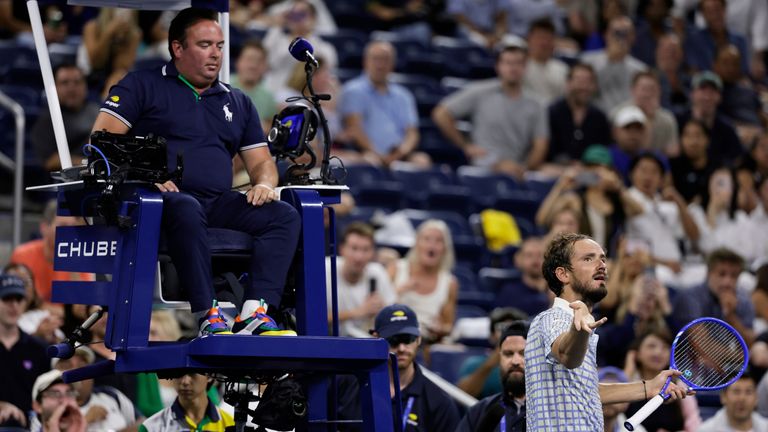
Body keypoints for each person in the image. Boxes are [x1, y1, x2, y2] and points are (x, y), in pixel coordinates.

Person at [90, 7, 301, 336]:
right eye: (205, 45)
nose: (215, 54)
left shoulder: (237, 101)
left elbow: (262, 161)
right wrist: (148, 177)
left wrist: (264, 184)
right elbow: (102, 141)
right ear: (178, 48)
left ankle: (255, 313)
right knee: (185, 205)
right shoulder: (141, 85)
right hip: (158, 202)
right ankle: (208, 314)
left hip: (217, 202)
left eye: (219, 46)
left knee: (283, 215)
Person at [524, 232, 690, 430]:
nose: (601, 264)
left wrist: (648, 387)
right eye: (588, 258)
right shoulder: (554, 318)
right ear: (563, 274)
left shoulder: (582, 325)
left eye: (602, 258)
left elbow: (588, 393)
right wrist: (581, 328)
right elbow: (567, 355)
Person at [335, 304, 460, 431]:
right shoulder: (346, 385)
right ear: (376, 339)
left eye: (407, 339)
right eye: (393, 339)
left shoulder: (438, 401)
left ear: (418, 339)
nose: (401, 348)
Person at [432, 44, 549, 179]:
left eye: (518, 63)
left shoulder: (537, 104)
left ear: (525, 67)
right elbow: (441, 114)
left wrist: (525, 169)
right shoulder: (480, 91)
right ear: (498, 66)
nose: (513, 68)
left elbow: (540, 144)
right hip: (483, 168)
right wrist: (465, 146)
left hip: (518, 169)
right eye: (508, 63)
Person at [536, 144, 643, 257]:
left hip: (608, 262)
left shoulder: (615, 201)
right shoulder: (575, 199)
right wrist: (560, 186)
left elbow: (638, 210)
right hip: (581, 259)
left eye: (601, 168)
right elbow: (542, 219)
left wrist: (618, 186)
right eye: (590, 168)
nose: (595, 173)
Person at [338, 40, 427, 167]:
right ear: (365, 62)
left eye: (385, 59)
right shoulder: (353, 91)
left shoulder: (404, 95)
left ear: (393, 64)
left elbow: (412, 133)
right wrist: (377, 154)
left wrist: (401, 152)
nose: (380, 65)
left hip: (399, 155)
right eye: (376, 59)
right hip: (367, 153)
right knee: (370, 161)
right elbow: (354, 128)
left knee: (422, 160)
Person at [389, 219, 459, 343]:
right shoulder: (396, 269)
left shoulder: (449, 283)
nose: (431, 246)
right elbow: (376, 307)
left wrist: (440, 328)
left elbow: (448, 325)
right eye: (427, 239)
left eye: (438, 241)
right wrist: (399, 291)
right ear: (417, 244)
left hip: (427, 342)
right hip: (392, 336)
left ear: (445, 248)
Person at [10, 200, 93, 304]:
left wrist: (73, 268)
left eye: (73, 228)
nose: (69, 233)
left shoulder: (81, 260)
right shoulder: (22, 255)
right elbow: (15, 302)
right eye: (63, 227)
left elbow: (83, 306)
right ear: (44, 228)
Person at [456, 320, 529, 432]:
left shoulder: (555, 410)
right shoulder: (481, 411)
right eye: (508, 354)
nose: (515, 361)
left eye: (523, 353)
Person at [623, 328, 702, 431]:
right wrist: (629, 369)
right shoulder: (628, 382)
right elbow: (615, 415)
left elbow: (694, 426)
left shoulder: (679, 386)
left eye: (665, 347)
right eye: (651, 346)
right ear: (637, 354)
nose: (658, 352)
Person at [326, 222, 397, 337]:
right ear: (342, 249)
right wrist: (358, 312)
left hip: (369, 344)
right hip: (329, 343)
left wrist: (383, 312)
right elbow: (312, 318)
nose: (359, 257)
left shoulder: (377, 272)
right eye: (354, 248)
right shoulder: (325, 269)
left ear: (373, 253)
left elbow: (393, 317)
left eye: (365, 250)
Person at [673, 248, 755, 344]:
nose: (727, 282)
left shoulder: (744, 300)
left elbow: (750, 341)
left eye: (734, 276)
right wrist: (740, 357)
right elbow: (703, 346)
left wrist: (731, 316)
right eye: (722, 274)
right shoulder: (689, 297)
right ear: (709, 273)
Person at [0, 273, 51, 429]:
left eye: (19, 299)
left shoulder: (40, 349)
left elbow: (47, 394)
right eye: (7, 299)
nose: (14, 305)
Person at [30, 63, 101, 171]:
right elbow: (49, 161)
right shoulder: (47, 120)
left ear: (85, 86)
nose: (71, 88)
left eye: (77, 82)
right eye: (65, 83)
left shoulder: (98, 112)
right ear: (54, 88)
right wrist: (86, 163)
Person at [53, 347, 141, 432]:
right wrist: (85, 421)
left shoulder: (110, 395)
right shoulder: (48, 405)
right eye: (67, 366)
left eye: (82, 366)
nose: (76, 371)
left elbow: (143, 423)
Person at [546, 63, 612, 165]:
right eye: (579, 81)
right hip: (557, 169)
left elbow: (603, 151)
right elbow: (548, 151)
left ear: (594, 86)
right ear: (568, 83)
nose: (584, 87)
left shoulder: (599, 117)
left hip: (591, 171)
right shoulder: (552, 112)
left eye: (588, 82)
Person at [675, 71, 744, 165]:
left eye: (712, 92)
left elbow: (736, 158)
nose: (707, 97)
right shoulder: (677, 121)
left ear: (719, 97)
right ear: (692, 94)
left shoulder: (727, 129)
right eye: (702, 90)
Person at [580, 15, 647, 112]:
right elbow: (587, 91)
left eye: (625, 33)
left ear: (633, 37)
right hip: (596, 117)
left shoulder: (640, 70)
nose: (620, 38)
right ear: (606, 34)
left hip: (627, 120)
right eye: (616, 33)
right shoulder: (587, 61)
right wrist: (610, 60)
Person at [457, 308, 528, 399]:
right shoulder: (474, 364)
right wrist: (489, 365)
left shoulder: (536, 362)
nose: (509, 334)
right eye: (502, 327)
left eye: (515, 329)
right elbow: (461, 396)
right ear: (492, 336)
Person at [614, 71, 679, 157]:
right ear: (633, 90)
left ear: (659, 92)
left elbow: (673, 152)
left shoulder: (667, 119)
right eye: (644, 89)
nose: (647, 94)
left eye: (652, 89)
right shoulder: (617, 113)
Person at [139, 372, 234, 431]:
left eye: (192, 372)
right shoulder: (151, 427)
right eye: (178, 372)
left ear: (209, 375)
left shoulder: (231, 424)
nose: (185, 381)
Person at [230, 39, 277, 133]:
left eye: (259, 61)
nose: (253, 65)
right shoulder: (223, 86)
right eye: (249, 59)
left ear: (265, 66)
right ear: (238, 62)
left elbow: (271, 126)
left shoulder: (268, 96)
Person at [495, 237, 551, 315]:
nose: (535, 260)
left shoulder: (558, 289)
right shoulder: (509, 292)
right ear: (518, 260)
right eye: (529, 255)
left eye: (540, 255)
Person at [522, 19, 568, 107]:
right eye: (539, 38)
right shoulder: (520, 68)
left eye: (548, 38)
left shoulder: (563, 69)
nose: (544, 43)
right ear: (529, 40)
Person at [701, 373, 768, 431]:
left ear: (756, 398)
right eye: (736, 391)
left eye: (748, 392)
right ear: (723, 397)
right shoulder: (706, 430)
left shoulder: (765, 427)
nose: (742, 398)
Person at [599, 367, 647, 432]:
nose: (610, 401)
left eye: (616, 394)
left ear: (627, 402)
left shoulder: (637, 430)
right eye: (604, 393)